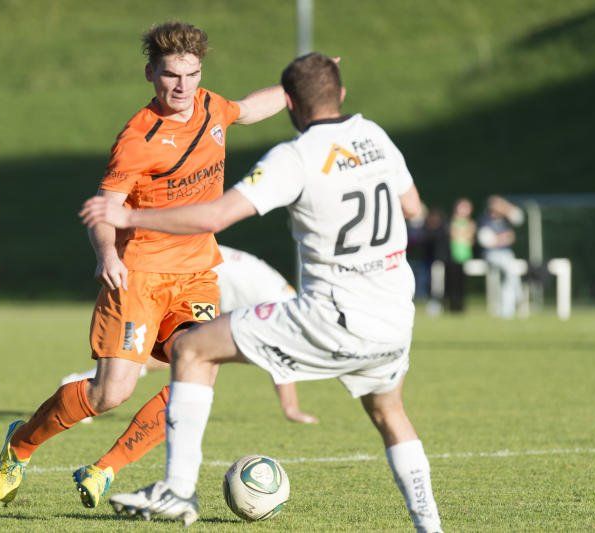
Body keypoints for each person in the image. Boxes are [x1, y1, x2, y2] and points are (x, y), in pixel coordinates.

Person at [81, 52, 442, 531]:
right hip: (393, 317)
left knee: (191, 348)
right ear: (342, 95)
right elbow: (413, 208)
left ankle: (178, 490)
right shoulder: (374, 136)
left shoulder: (296, 157)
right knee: (390, 413)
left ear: (289, 103)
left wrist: (129, 215)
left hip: (330, 315)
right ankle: (431, 526)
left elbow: (214, 216)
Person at [0, 21, 287, 506]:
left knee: (198, 367)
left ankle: (104, 470)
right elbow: (104, 209)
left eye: (191, 74)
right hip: (140, 276)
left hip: (196, 273)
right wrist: (107, 254)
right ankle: (20, 444)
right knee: (110, 394)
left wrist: (302, 85)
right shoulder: (136, 138)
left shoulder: (212, 106)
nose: (182, 86)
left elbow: (252, 108)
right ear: (151, 73)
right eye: (171, 75)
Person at [61, 244, 318, 425]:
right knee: (186, 353)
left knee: (183, 353)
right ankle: (88, 389)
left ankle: (89, 386)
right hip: (195, 273)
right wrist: (291, 409)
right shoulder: (283, 311)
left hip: (198, 263)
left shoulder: (287, 300)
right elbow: (278, 363)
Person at [477, 195, 524, 318]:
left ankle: (509, 308)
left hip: (507, 254)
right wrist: (503, 238)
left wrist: (507, 207)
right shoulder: (485, 220)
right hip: (492, 254)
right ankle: (518, 297)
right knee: (511, 271)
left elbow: (519, 218)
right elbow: (486, 241)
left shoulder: (505, 220)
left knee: (511, 274)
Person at [446, 198, 475, 312]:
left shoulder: (470, 223)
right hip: (453, 255)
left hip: (465, 255)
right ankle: (452, 305)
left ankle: (461, 306)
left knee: (462, 283)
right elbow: (455, 235)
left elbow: (469, 238)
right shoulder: (452, 222)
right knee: (453, 281)